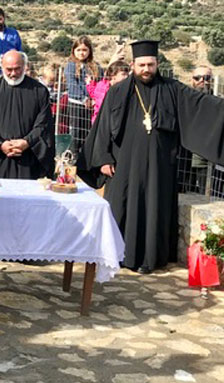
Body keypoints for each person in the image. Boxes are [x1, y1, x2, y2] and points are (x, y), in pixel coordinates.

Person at [78, 40, 224, 274]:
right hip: (124, 163)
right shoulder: (118, 91)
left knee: (155, 209)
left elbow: (202, 106)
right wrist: (103, 158)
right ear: (133, 65)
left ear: (157, 64)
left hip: (160, 164)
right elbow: (103, 126)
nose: (146, 69)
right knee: (123, 206)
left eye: (151, 65)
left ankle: (151, 259)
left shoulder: (172, 89)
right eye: (142, 65)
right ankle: (118, 254)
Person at [0, 51, 55, 179]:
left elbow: (43, 123)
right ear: (2, 67)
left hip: (29, 160)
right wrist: (0, 144)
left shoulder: (39, 91)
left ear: (24, 66)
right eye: (9, 69)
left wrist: (26, 142)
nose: (13, 73)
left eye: (17, 69)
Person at [179, 66, 217, 193]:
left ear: (212, 80)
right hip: (185, 158)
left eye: (206, 78)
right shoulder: (184, 100)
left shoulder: (217, 103)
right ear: (192, 80)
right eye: (197, 78)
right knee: (184, 193)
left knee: (208, 195)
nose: (202, 81)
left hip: (208, 160)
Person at [64, 36, 103, 151]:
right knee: (76, 132)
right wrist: (84, 99)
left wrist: (94, 99)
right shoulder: (71, 66)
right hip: (76, 104)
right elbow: (72, 85)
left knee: (89, 131)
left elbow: (100, 84)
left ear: (90, 51)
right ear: (74, 51)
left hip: (92, 105)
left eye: (85, 50)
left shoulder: (96, 67)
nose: (82, 53)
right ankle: (73, 155)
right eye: (79, 50)